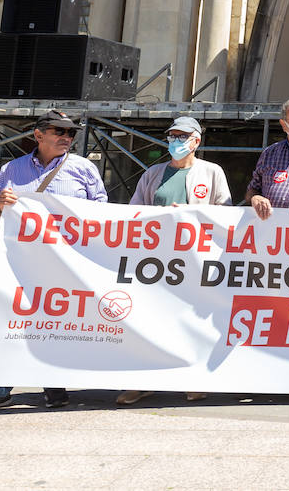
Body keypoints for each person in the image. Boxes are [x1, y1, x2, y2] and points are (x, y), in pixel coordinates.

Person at [0, 110, 107, 415]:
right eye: (59, 131)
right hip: (18, 262)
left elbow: (102, 214)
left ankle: (53, 385)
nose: (66, 138)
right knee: (9, 320)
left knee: (54, 323)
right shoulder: (12, 169)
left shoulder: (84, 169)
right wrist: (0, 205)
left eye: (71, 134)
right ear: (38, 134)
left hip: (65, 262)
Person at [117, 116, 231, 406]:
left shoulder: (212, 172)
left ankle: (192, 381)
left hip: (194, 261)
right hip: (156, 261)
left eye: (183, 137)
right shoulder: (153, 173)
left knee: (191, 321)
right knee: (152, 320)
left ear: (196, 141)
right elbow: (135, 213)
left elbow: (225, 214)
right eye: (172, 136)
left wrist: (192, 214)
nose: (176, 142)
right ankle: (142, 382)